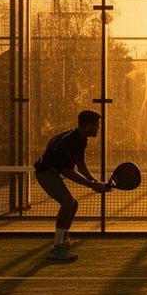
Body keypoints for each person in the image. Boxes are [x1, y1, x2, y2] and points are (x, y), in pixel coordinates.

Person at [33, 110, 109, 261]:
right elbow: (67, 171)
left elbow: (80, 165)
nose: (99, 128)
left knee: (73, 204)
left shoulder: (80, 139)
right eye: (97, 125)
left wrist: (94, 181)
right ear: (87, 125)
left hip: (53, 171)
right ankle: (57, 247)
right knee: (68, 202)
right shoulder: (70, 140)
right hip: (45, 173)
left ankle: (63, 238)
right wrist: (91, 185)